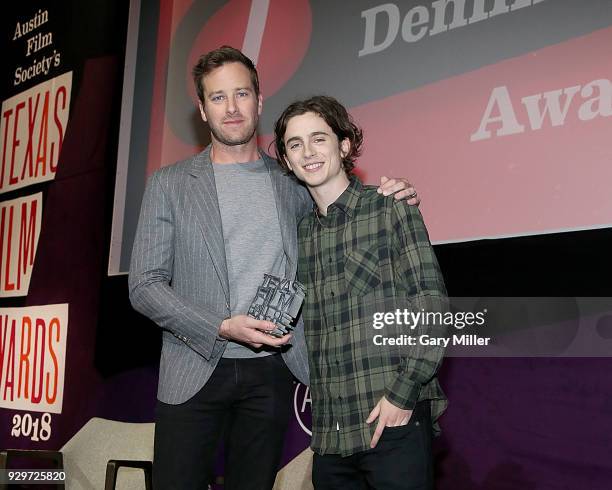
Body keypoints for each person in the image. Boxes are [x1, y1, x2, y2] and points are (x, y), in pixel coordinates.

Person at [129, 46, 420, 490]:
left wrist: (394, 193)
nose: (231, 108)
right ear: (202, 110)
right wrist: (222, 326)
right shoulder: (169, 184)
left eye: (241, 94)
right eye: (218, 97)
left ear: (259, 102)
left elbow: (343, 208)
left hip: (272, 372)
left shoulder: (294, 181)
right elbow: (145, 286)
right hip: (192, 369)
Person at [274, 95, 448, 489]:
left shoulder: (389, 209)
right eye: (294, 144)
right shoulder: (301, 235)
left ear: (345, 145)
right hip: (331, 440)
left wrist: (403, 395)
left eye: (319, 138)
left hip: (392, 422)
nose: (308, 152)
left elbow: (432, 309)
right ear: (286, 160)